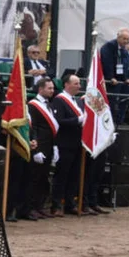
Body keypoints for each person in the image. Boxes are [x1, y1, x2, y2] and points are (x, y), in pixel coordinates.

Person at [51, 73, 85, 215]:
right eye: (76, 83)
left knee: (74, 175)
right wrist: (77, 120)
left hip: (77, 143)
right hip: (65, 143)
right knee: (62, 175)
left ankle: (70, 203)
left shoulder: (77, 101)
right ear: (66, 84)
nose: (79, 86)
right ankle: (57, 204)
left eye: (79, 83)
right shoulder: (60, 100)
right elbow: (58, 121)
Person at [26, 77, 59, 219]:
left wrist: (55, 146)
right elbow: (33, 128)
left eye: (52, 88)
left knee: (43, 178)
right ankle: (30, 208)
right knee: (34, 178)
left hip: (49, 146)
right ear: (40, 89)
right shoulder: (33, 105)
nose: (52, 90)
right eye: (49, 88)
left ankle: (39, 206)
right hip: (38, 146)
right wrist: (35, 150)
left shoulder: (48, 104)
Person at [100, 28, 129, 124]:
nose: (126, 41)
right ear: (118, 37)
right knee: (111, 102)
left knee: (124, 99)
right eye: (124, 39)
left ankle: (120, 121)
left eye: (128, 39)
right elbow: (107, 63)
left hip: (120, 79)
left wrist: (126, 78)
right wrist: (110, 77)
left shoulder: (124, 49)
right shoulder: (109, 46)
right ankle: (110, 122)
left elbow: (125, 65)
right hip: (111, 80)